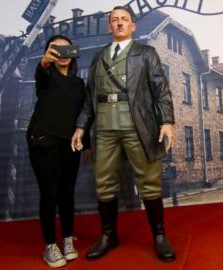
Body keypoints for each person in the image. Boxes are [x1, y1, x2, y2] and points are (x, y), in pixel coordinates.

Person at [71, 6, 176, 262]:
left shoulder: (146, 53)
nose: (119, 23)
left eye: (124, 20)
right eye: (114, 20)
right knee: (104, 182)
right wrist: (81, 126)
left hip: (137, 124)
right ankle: (109, 235)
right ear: (109, 27)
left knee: (149, 181)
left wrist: (167, 120)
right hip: (105, 127)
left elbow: (160, 89)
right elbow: (89, 97)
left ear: (133, 26)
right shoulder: (98, 58)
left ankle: (159, 236)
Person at [27, 35, 86, 268]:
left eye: (66, 48)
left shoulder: (78, 83)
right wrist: (43, 63)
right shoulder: (46, 75)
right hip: (44, 139)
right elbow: (40, 72)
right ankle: (50, 245)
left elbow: (83, 114)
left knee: (67, 192)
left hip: (70, 141)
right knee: (50, 192)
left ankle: (68, 238)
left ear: (73, 52)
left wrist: (87, 144)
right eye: (56, 49)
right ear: (50, 53)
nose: (62, 53)